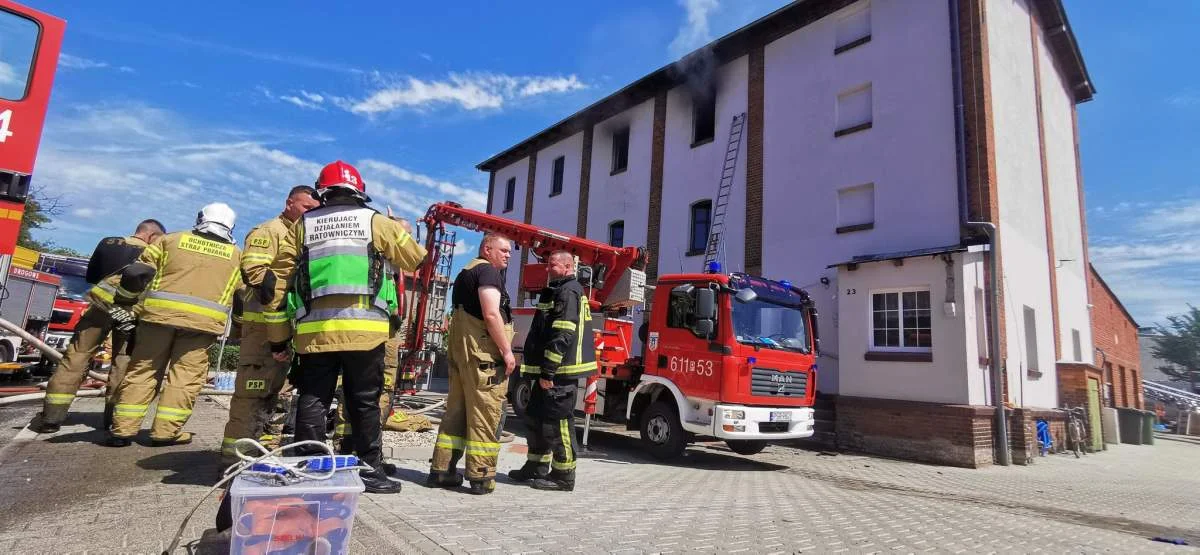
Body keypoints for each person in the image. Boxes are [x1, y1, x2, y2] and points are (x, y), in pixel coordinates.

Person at [268, 160, 426, 494]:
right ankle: (369, 471)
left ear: (323, 190)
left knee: (313, 397)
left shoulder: (304, 224)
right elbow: (415, 258)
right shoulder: (375, 221)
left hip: (315, 331)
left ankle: (309, 469)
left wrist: (278, 339)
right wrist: (398, 227)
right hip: (364, 331)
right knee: (364, 400)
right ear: (358, 190)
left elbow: (280, 279)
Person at [107, 203, 242, 447]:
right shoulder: (236, 255)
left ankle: (122, 431)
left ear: (201, 218)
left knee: (143, 371)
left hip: (157, 320)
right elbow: (242, 296)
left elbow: (137, 273)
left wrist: (124, 303)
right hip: (202, 328)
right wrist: (240, 326)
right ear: (231, 225)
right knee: (184, 380)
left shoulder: (171, 240)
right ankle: (165, 433)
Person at [27, 219, 166, 434]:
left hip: (100, 306)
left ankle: (51, 418)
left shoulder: (109, 243)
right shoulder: (155, 255)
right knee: (123, 362)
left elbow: (91, 275)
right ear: (152, 236)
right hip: (129, 315)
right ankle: (113, 420)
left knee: (76, 357)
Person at [219, 186, 318, 462]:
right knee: (252, 395)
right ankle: (234, 462)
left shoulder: (302, 234)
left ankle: (261, 457)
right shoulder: (270, 231)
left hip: (284, 329)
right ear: (289, 203)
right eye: (306, 207)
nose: (310, 214)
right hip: (263, 328)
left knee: (275, 396)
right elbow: (257, 275)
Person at [427, 233, 515, 495]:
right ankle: (481, 477)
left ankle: (442, 471)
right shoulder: (488, 273)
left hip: (462, 355)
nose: (508, 255)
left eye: (510, 251)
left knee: (455, 413)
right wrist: (507, 351)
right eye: (504, 249)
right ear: (487, 249)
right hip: (483, 358)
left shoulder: (466, 272)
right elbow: (490, 313)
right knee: (485, 415)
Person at [510, 251, 596, 491]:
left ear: (568, 266)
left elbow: (563, 333)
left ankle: (563, 475)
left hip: (558, 374)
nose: (548, 268)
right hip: (545, 374)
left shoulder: (569, 291)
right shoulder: (558, 290)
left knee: (558, 425)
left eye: (552, 264)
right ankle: (536, 466)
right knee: (537, 421)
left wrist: (548, 372)